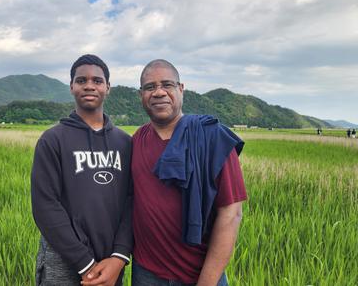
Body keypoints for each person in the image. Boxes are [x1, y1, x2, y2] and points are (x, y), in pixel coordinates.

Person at [132, 59, 247, 286]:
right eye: (150, 87)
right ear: (141, 95)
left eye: (167, 84)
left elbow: (231, 214)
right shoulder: (137, 140)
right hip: (146, 273)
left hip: (199, 276)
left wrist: (206, 282)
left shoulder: (212, 138)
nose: (159, 92)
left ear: (181, 89)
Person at [31, 54, 132, 286]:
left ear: (108, 87)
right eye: (81, 80)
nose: (89, 85)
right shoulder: (53, 140)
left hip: (111, 261)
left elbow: (132, 200)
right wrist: (86, 264)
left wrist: (119, 256)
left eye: (97, 81)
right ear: (71, 87)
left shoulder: (125, 143)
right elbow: (45, 205)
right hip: (62, 258)